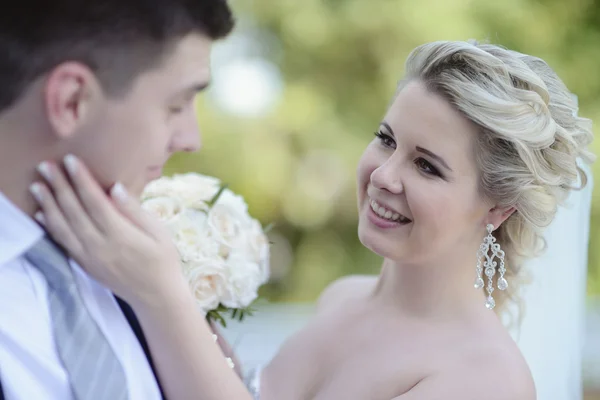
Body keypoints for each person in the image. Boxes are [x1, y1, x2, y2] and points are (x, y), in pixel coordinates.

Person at [31, 40, 595, 399]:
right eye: (386, 140)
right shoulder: (341, 298)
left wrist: (163, 296)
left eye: (427, 166)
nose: (384, 176)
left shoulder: (485, 381)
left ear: (498, 208)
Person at [0, 1, 237, 399]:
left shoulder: (139, 273)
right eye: (175, 106)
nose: (189, 140)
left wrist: (166, 302)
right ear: (71, 101)